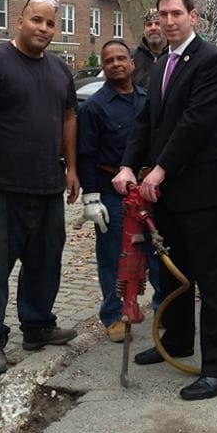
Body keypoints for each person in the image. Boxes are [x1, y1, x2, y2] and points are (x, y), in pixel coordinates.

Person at [112, 0, 217, 401]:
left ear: (193, 17)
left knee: (214, 282)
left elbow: (196, 122)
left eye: (176, 14)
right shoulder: (162, 62)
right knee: (174, 272)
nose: (168, 21)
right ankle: (179, 341)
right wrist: (129, 164)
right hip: (170, 195)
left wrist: (160, 168)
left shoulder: (211, 60)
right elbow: (148, 121)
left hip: (205, 192)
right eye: (162, 14)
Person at [0, 0, 80, 376]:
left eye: (50, 23)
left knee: (45, 262)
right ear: (19, 20)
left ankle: (38, 325)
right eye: (36, 20)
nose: (43, 28)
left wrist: (72, 167)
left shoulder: (59, 69)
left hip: (46, 187)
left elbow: (69, 118)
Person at [77, 39, 161, 343]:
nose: (115, 64)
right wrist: (91, 196)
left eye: (120, 58)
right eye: (109, 60)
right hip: (112, 193)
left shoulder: (146, 99)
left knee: (156, 251)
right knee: (114, 256)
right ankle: (113, 315)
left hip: (149, 189)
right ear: (104, 66)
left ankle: (162, 307)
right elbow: (85, 154)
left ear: (132, 63)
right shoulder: (95, 108)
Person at [132, 8, 166, 88]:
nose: (153, 28)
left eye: (157, 23)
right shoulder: (132, 59)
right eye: (149, 24)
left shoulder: (174, 57)